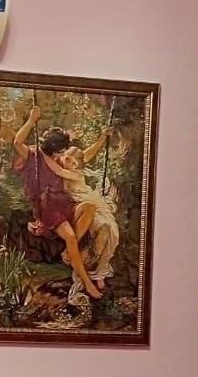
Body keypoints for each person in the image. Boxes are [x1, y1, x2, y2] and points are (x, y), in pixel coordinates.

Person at [12, 105, 104, 300]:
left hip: (64, 203)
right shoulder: (34, 155)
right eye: (61, 151)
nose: (62, 154)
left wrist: (101, 140)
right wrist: (31, 120)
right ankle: (87, 283)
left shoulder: (60, 158)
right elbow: (17, 141)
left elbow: (84, 156)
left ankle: (68, 253)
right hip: (48, 209)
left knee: (89, 207)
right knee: (70, 236)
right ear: (53, 148)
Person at [58, 142, 120, 294]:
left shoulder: (76, 172)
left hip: (93, 202)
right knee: (103, 228)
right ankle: (85, 271)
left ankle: (100, 270)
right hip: (79, 207)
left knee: (110, 230)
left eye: (74, 163)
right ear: (64, 155)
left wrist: (102, 139)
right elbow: (59, 168)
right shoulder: (61, 170)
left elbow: (85, 156)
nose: (70, 164)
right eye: (68, 159)